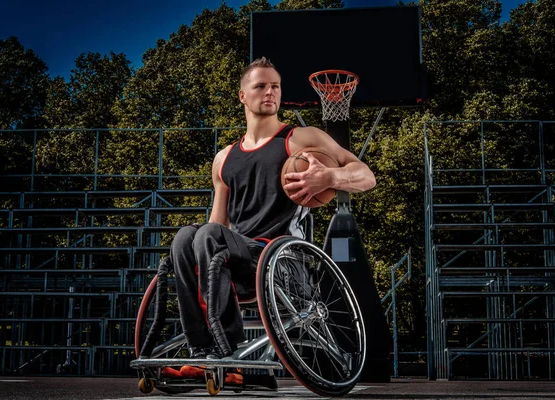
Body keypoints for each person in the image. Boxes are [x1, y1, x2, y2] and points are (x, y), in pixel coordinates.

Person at [138, 57, 376, 365]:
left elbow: (366, 176)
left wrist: (329, 177)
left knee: (207, 236)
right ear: (242, 96)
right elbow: (217, 225)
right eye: (261, 86)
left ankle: (228, 352)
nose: (270, 92)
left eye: (275, 86)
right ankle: (201, 351)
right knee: (186, 237)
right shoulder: (224, 159)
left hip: (283, 262)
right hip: (236, 262)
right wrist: (192, 257)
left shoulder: (300, 140)